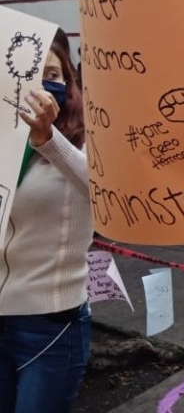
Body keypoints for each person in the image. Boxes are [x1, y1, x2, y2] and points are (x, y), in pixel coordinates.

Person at [0, 28, 91, 413]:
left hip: (51, 326)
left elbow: (103, 188)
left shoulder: (87, 137)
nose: (41, 87)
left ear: (69, 82)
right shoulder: (5, 140)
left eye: (52, 75)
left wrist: (47, 139)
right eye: (32, 75)